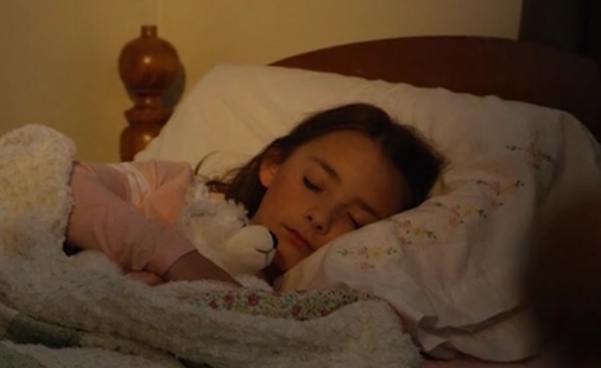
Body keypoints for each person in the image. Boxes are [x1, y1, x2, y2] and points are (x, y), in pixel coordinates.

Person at [65, 102, 445, 287]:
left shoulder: (313, 313)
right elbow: (61, 181)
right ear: (273, 165)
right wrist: (177, 259)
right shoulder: (178, 188)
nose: (320, 217)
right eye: (312, 183)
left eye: (356, 221)